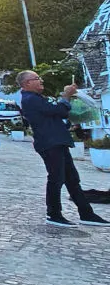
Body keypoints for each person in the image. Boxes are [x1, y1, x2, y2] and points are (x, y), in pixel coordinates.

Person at [16, 71, 110, 227]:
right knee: (56, 179)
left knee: (72, 180)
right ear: (27, 84)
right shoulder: (30, 99)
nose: (40, 81)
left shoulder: (37, 98)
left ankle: (86, 213)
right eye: (36, 79)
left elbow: (55, 116)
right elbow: (59, 111)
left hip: (57, 142)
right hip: (49, 143)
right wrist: (66, 95)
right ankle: (53, 214)